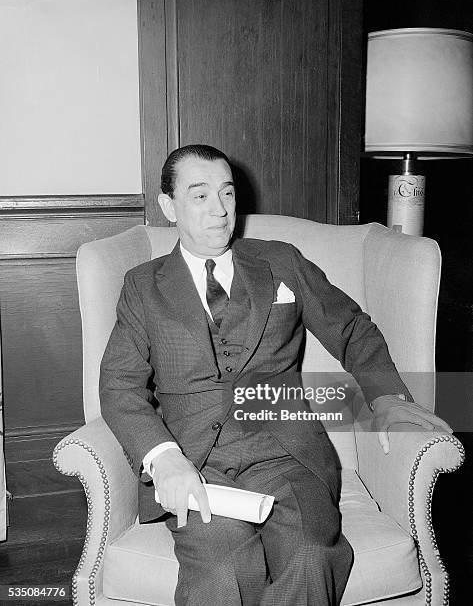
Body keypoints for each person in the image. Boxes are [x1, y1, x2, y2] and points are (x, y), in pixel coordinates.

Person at [99, 144, 451, 606]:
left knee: (310, 556)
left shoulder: (280, 261)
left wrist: (385, 397)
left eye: (227, 194)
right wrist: (164, 458)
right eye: (200, 196)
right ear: (169, 206)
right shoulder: (143, 286)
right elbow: (119, 385)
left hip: (289, 454)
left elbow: (349, 327)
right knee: (222, 571)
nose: (220, 211)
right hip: (195, 463)